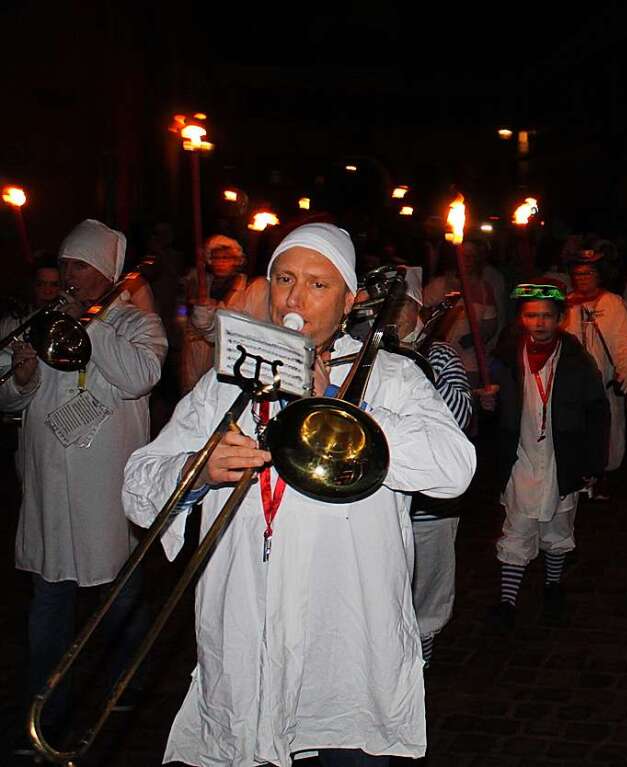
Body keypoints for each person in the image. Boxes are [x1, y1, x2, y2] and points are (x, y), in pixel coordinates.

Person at [122, 223, 476, 766]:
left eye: (318, 284)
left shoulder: (392, 377)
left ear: (350, 300)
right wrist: (196, 472)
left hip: (345, 645)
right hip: (247, 633)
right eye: (285, 278)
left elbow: (455, 469)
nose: (294, 297)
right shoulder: (227, 381)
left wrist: (340, 406)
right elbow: (138, 486)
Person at [1, 220, 166, 758]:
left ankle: (124, 685)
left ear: (106, 273)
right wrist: (22, 378)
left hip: (107, 488)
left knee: (116, 597)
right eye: (66, 266)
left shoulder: (138, 325)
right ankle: (48, 707)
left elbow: (140, 376)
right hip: (49, 487)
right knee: (50, 599)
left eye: (80, 267)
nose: (68, 277)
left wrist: (90, 328)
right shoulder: (37, 323)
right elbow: (9, 400)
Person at [482, 281, 609, 628]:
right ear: (521, 318)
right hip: (520, 455)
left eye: (547, 316)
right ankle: (508, 602)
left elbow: (597, 413)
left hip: (560, 458)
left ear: (560, 319)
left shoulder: (578, 362)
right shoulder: (506, 358)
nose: (539, 323)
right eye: (531, 315)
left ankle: (553, 586)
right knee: (517, 527)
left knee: (557, 526)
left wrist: (592, 463)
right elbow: (489, 405)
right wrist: (487, 402)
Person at [398, 267, 474, 668]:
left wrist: (414, 373)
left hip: (429, 511)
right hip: (377, 508)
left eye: (405, 308)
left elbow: (457, 417)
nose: (395, 318)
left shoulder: (441, 355)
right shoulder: (358, 357)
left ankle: (421, 670)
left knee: (427, 595)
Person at [564, 248, 627, 476]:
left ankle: (603, 477)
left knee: (607, 436)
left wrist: (626, 370)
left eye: (588, 273)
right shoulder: (566, 305)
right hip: (572, 388)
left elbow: (625, 343)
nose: (583, 278)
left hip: (604, 386)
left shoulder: (613, 304)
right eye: (579, 274)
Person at [179, 235, 258, 392]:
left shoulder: (248, 289)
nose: (221, 263)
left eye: (226, 258)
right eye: (216, 258)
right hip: (197, 352)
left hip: (228, 356)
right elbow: (185, 311)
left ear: (236, 260)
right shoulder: (201, 282)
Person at [423, 241, 498, 387]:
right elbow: (421, 314)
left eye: (472, 255)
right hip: (438, 362)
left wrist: (477, 337)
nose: (468, 260)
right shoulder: (439, 284)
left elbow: (490, 326)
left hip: (469, 364)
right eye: (464, 255)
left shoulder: (484, 289)